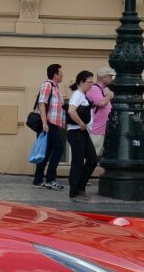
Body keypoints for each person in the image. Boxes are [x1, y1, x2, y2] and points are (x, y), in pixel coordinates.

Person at [66, 71, 99, 202]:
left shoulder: (83, 95)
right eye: (88, 82)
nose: (90, 85)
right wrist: (80, 123)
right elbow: (71, 110)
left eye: (92, 82)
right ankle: (74, 191)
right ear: (81, 82)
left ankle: (80, 187)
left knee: (92, 159)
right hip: (76, 132)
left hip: (82, 132)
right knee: (78, 162)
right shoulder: (77, 95)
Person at [32, 63, 65, 190]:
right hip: (49, 124)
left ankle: (38, 180)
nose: (63, 75)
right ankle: (50, 179)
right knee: (59, 149)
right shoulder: (47, 85)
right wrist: (45, 123)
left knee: (46, 152)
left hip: (54, 124)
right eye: (61, 73)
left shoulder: (56, 87)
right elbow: (42, 103)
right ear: (55, 75)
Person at [86, 67, 114, 166]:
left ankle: (82, 179)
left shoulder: (102, 90)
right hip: (97, 130)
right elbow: (101, 103)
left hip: (102, 130)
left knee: (95, 157)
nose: (112, 78)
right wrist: (109, 96)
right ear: (103, 77)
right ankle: (80, 180)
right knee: (91, 157)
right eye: (110, 76)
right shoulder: (94, 88)